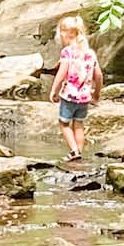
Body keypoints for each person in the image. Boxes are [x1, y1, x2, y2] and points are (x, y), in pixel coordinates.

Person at [49, 13, 103, 158]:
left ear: (65, 34)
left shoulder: (67, 52)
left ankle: (74, 151)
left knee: (64, 123)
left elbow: (61, 73)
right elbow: (98, 76)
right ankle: (79, 152)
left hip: (69, 96)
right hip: (85, 98)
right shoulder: (90, 53)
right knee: (79, 125)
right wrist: (96, 94)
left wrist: (53, 90)